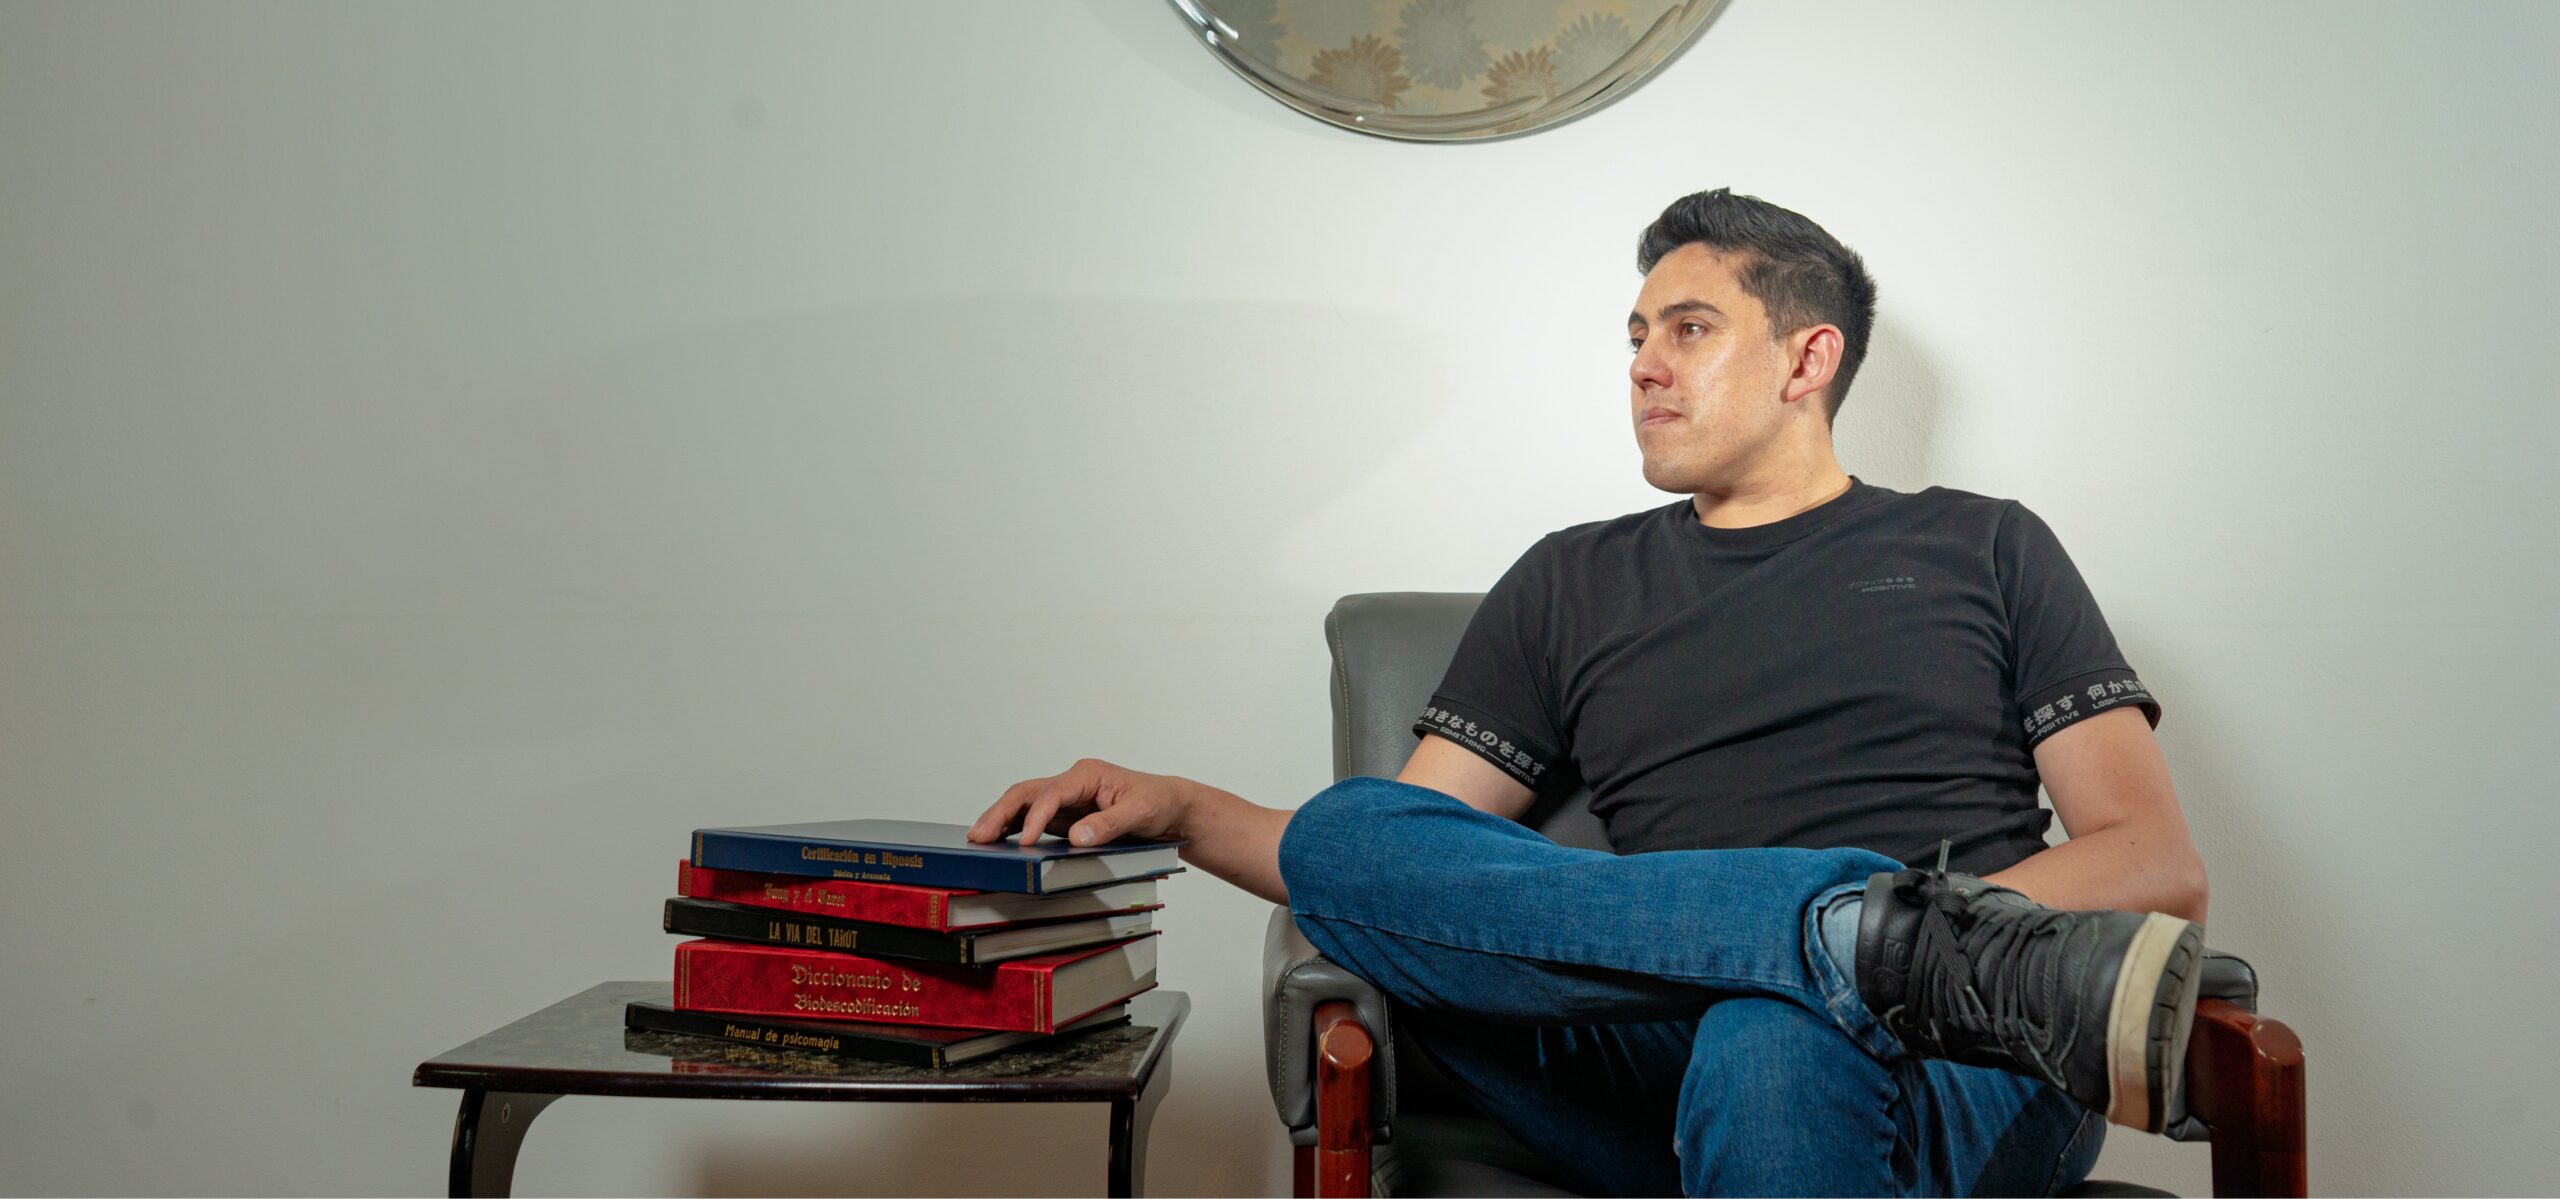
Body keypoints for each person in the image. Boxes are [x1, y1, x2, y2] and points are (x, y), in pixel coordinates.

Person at [968, 188, 2210, 1197]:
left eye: (1689, 329)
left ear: (1807, 356)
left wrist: (1876, 967)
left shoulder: (1983, 544)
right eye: (1635, 336)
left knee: (1770, 1032)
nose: (1644, 367)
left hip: (1961, 1044)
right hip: (1652, 1044)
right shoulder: (1571, 579)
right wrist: (1184, 808)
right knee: (1354, 831)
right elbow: (1398, 859)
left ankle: (1873, 952)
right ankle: (1844, 934)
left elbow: (2152, 860)